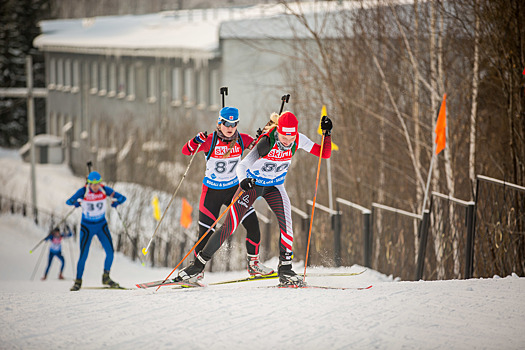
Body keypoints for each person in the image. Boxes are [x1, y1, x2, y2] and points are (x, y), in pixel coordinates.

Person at [175, 111, 333, 286]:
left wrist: (327, 135)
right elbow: (242, 165)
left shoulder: (299, 139)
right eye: (284, 137)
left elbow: (323, 153)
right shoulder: (266, 142)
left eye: (291, 138)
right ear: (278, 131)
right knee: (229, 226)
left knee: (287, 222)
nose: (288, 142)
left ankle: (286, 268)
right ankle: (197, 267)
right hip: (253, 185)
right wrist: (244, 181)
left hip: (275, 186)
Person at [181, 106, 274, 281]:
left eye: (234, 123)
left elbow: (260, 151)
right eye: (226, 123)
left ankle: (254, 265)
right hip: (212, 193)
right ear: (219, 123)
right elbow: (186, 151)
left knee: (253, 225)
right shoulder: (210, 140)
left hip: (235, 190)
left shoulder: (242, 139)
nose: (230, 127)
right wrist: (195, 140)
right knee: (205, 233)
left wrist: (264, 139)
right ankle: (196, 271)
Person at [65, 171, 127, 291]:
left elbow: (122, 198)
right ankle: (78, 281)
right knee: (83, 255)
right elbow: (69, 201)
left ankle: (106, 277)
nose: (95, 186)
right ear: (89, 183)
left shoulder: (104, 189)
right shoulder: (83, 191)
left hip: (101, 225)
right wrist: (76, 202)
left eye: (97, 184)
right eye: (93, 184)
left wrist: (116, 202)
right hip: (87, 227)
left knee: (110, 252)